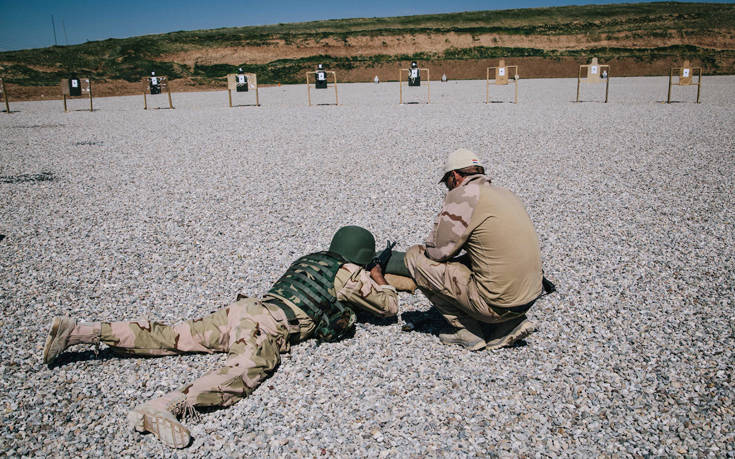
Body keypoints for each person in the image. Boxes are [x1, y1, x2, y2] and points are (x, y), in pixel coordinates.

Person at [43, 226, 413, 448]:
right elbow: (388, 308)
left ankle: (81, 331)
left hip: (243, 309)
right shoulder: (349, 275)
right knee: (247, 368)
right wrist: (378, 276)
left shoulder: (311, 258)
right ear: (363, 256)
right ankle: (167, 406)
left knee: (173, 335)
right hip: (266, 327)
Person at [404, 148, 545, 351]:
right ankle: (508, 324)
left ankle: (466, 331)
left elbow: (437, 252)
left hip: (497, 304)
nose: (447, 189)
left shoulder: (464, 194)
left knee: (414, 257)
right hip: (529, 297)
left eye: (446, 183)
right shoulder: (504, 193)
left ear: (454, 176)